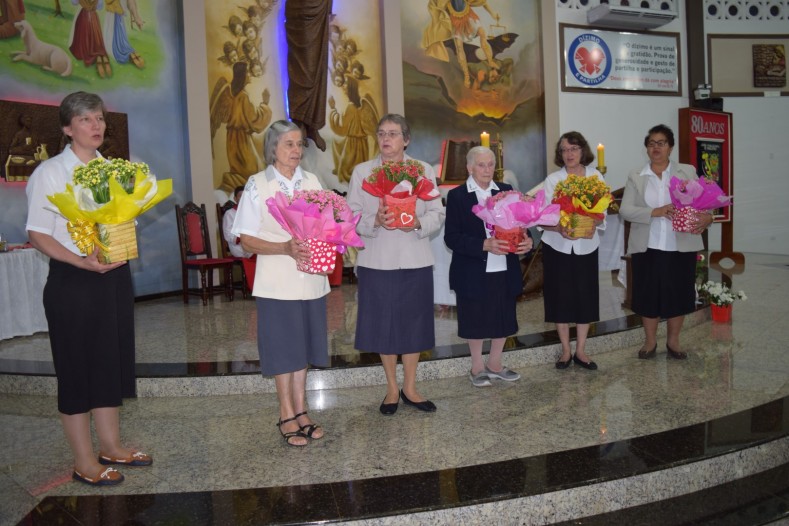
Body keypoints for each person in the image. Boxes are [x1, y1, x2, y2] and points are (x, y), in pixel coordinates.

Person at [25, 91, 152, 487]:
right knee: (77, 369)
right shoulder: (50, 172)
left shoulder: (113, 170)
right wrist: (81, 260)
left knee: (108, 362)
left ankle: (111, 445)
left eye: (98, 118)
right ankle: (83, 461)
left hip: (112, 278)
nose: (96, 126)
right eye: (85, 119)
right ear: (67, 128)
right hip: (73, 281)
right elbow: (36, 233)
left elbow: (121, 220)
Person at [232, 120, 329, 446]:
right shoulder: (257, 184)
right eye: (289, 144)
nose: (296, 150)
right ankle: (286, 413)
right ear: (272, 148)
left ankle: (302, 410)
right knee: (283, 349)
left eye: (299, 144)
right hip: (276, 282)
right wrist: (284, 248)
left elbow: (325, 225)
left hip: (311, 279)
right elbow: (245, 240)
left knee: (302, 348)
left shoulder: (313, 181)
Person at [347, 114, 446, 415]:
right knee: (383, 326)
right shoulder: (362, 171)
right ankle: (392, 389)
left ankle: (411, 387)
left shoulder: (422, 169)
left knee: (414, 324)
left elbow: (437, 213)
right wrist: (373, 220)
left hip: (415, 257)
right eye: (381, 133)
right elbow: (349, 217)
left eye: (392, 133)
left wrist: (417, 223)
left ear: (406, 139)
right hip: (377, 260)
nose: (386, 139)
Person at [619, 124, 713, 360]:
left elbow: (706, 205)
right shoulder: (637, 175)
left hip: (679, 245)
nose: (656, 147)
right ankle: (650, 342)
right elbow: (626, 210)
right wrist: (655, 211)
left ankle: (673, 341)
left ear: (670, 147)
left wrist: (708, 217)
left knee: (678, 294)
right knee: (648, 295)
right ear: (646, 149)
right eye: (651, 143)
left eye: (661, 143)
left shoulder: (687, 172)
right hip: (647, 245)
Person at [444, 146, 532, 387]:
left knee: (502, 315)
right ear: (469, 167)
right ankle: (476, 366)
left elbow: (524, 224)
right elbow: (451, 237)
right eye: (480, 165)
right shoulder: (458, 196)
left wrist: (527, 241)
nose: (486, 169)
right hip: (473, 268)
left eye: (490, 164)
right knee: (475, 316)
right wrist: (484, 244)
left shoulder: (507, 192)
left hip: (504, 266)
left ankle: (495, 364)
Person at [541, 131, 607, 371]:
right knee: (560, 297)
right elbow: (544, 215)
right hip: (557, 246)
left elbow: (603, 211)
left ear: (583, 151)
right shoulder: (553, 180)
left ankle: (580, 349)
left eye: (573, 149)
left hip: (586, 246)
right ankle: (565, 350)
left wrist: (593, 224)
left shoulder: (595, 176)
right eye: (564, 150)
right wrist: (559, 227)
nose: (568, 154)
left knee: (584, 296)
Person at [223, 186, 252, 258]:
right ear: (235, 199)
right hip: (238, 246)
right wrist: (243, 237)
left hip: (252, 243)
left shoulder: (252, 212)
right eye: (240, 196)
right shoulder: (229, 213)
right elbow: (227, 234)